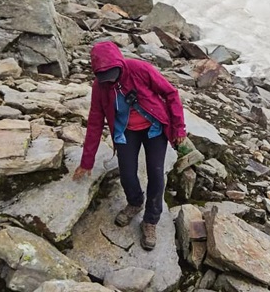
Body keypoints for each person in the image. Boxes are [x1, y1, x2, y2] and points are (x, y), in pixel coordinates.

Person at [73, 41, 186, 251]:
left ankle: (151, 220)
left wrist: (179, 128)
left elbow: (171, 93)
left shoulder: (140, 69)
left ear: (120, 64)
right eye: (104, 76)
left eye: (113, 73)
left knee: (156, 173)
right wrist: (86, 162)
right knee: (126, 173)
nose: (110, 79)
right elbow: (95, 121)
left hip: (154, 129)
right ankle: (135, 202)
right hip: (125, 131)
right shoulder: (100, 86)